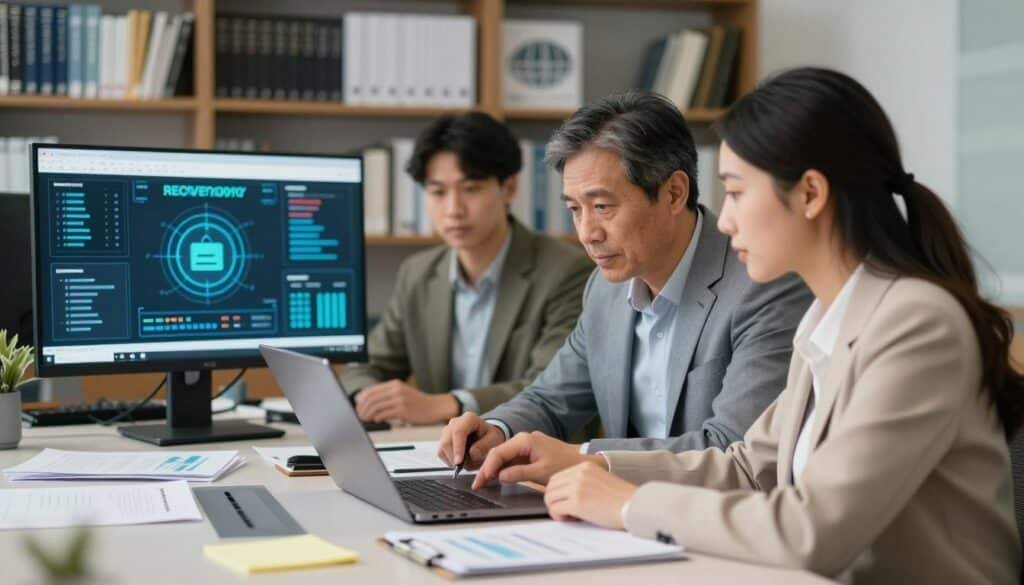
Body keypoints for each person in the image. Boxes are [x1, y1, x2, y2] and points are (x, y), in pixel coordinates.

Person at [524, 67, 1024, 584]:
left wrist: (630, 505)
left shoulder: (917, 324)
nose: (723, 220)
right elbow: (747, 466)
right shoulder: (825, 318)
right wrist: (600, 469)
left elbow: (812, 532)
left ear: (809, 194)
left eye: (737, 192)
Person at [438, 92, 813, 477]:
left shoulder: (763, 284)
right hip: (615, 506)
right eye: (575, 209)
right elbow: (552, 399)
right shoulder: (605, 289)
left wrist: (585, 457)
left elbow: (733, 446)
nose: (587, 233)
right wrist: (496, 429)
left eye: (602, 207)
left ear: (674, 193)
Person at [341, 112, 593, 425]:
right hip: (438, 448)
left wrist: (448, 404)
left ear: (509, 188)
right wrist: (369, 397)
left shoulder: (567, 271)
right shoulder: (418, 273)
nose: (454, 210)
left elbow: (552, 389)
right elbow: (366, 367)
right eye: (438, 192)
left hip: (529, 447)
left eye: (471, 188)